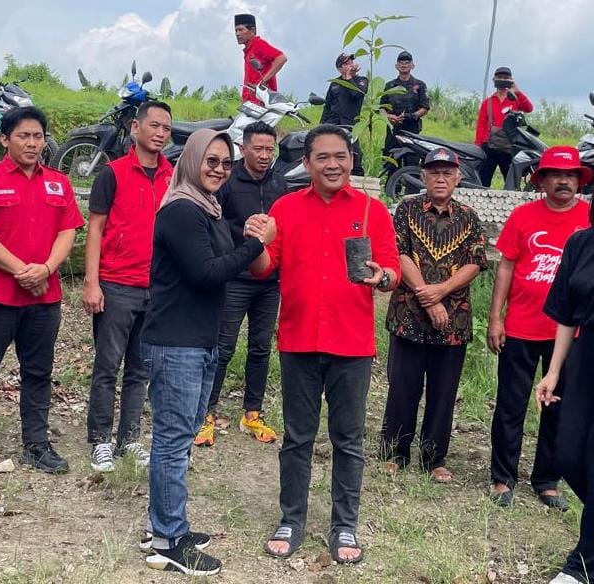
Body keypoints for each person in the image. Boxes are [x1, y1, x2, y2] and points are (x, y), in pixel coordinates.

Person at [251, 124, 400, 563]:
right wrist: (256, 243)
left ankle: (344, 525)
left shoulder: (373, 211)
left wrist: (382, 277)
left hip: (352, 345)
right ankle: (291, 518)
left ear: (351, 160)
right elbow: (264, 268)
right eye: (323, 157)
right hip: (298, 340)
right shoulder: (286, 208)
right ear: (307, 163)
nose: (333, 164)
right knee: (297, 437)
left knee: (348, 440)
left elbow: (392, 273)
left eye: (340, 156)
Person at [141, 128, 274, 576]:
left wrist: (249, 238)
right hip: (175, 342)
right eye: (211, 160)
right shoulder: (182, 210)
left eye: (225, 163)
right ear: (191, 160)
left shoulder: (208, 209)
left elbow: (231, 259)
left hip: (198, 340)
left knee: (178, 440)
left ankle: (161, 525)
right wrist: (256, 243)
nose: (219, 169)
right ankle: (169, 540)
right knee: (173, 442)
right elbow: (206, 273)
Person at [0, 107, 84, 479]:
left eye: (37, 136)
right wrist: (23, 272)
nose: (32, 143)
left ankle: (37, 445)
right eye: (23, 136)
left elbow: (68, 231)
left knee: (38, 373)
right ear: (4, 139)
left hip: (44, 299)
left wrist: (45, 269)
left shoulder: (59, 183)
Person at [488, 146, 591, 509]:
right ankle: (502, 478)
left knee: (557, 407)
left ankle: (547, 480)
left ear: (580, 181)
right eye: (556, 175)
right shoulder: (523, 216)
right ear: (542, 181)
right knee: (510, 405)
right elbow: (506, 266)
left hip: (571, 334)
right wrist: (496, 317)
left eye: (571, 175)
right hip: (521, 326)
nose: (564, 181)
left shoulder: (588, 218)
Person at [378, 148, 488, 483]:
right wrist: (428, 298)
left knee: (444, 392)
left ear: (458, 178)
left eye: (447, 173)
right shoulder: (407, 209)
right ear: (423, 177)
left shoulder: (469, 217)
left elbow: (476, 261)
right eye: (434, 172)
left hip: (453, 320)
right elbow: (399, 253)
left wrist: (441, 291)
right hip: (408, 314)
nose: (441, 178)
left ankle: (434, 458)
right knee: (402, 388)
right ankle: (394, 453)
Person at [82, 101, 173, 472]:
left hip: (157, 289)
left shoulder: (173, 176)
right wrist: (92, 281)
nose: (160, 133)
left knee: (141, 369)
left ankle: (130, 438)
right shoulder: (113, 173)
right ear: (136, 128)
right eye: (154, 125)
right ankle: (100, 440)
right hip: (117, 284)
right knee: (108, 366)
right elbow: (95, 228)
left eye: (166, 128)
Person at [194, 121, 287, 447]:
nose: (264, 155)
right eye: (258, 148)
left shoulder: (280, 184)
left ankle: (252, 413)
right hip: (234, 278)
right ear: (243, 148)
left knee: (260, 348)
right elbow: (215, 224)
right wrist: (241, 239)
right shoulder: (227, 182)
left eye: (269, 149)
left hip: (269, 281)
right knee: (223, 347)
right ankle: (205, 412)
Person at [535, 189, 594, 584]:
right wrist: (554, 371)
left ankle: (581, 566)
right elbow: (565, 315)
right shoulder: (581, 243)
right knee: (568, 453)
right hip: (585, 355)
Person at [475, 66, 534, 187]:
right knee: (483, 180)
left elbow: (529, 108)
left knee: (511, 181)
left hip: (509, 146)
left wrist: (517, 90)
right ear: (494, 80)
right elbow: (481, 125)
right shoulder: (488, 102)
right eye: (500, 77)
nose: (502, 80)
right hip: (489, 145)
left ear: (511, 80)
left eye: (506, 78)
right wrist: (478, 147)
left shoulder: (515, 99)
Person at [380, 51, 430, 174]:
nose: (404, 65)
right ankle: (392, 185)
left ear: (412, 66)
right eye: (401, 62)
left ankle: (410, 185)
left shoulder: (419, 85)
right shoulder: (390, 85)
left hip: (412, 130)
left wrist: (411, 116)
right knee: (391, 162)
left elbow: (425, 107)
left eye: (407, 62)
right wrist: (388, 116)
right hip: (393, 129)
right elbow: (381, 107)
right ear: (396, 66)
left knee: (412, 162)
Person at [234, 13, 286, 106]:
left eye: (241, 30)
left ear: (252, 30)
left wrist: (262, 82)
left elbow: (281, 58)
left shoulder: (258, 44)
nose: (237, 34)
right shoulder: (248, 50)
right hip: (251, 104)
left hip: (262, 103)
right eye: (236, 30)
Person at [321, 53, 368, 126]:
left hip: (349, 123)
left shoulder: (362, 80)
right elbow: (327, 106)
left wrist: (348, 77)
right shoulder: (335, 83)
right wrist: (321, 124)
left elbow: (356, 95)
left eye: (351, 62)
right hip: (332, 123)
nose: (351, 65)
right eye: (347, 64)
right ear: (339, 69)